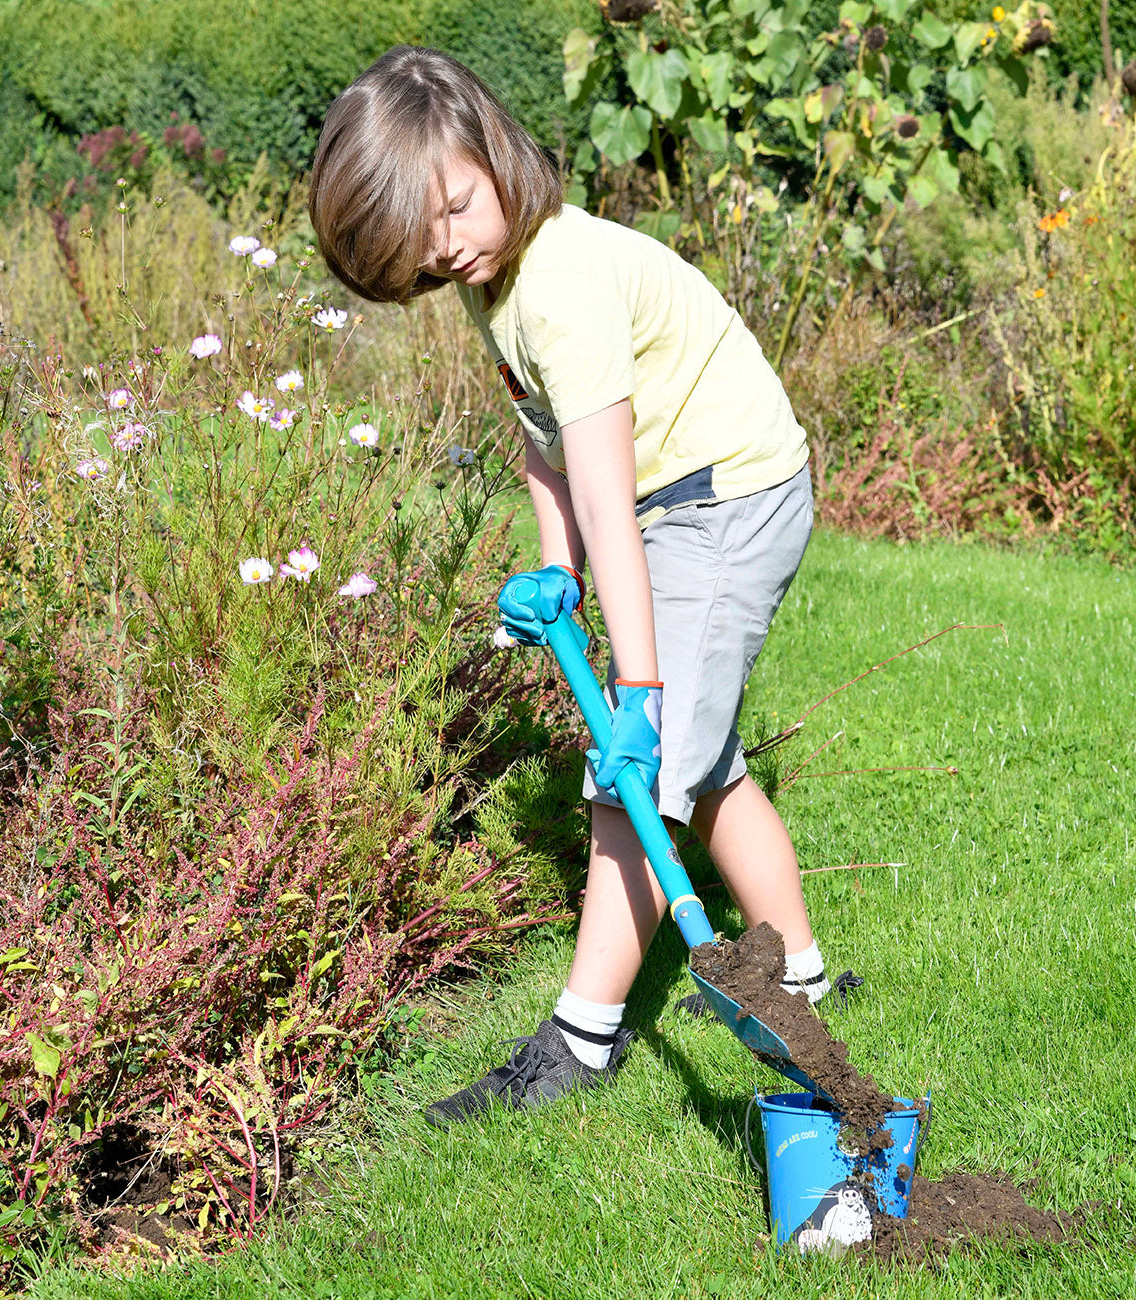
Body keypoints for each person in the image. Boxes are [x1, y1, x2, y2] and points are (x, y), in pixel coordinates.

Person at [309, 46, 860, 1126]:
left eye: (456, 210)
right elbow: (546, 445)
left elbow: (612, 495)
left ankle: (581, 1038)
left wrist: (641, 694)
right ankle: (801, 977)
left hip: (725, 493)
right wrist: (554, 569)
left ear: (489, 143)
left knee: (638, 776)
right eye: (421, 249)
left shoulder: (556, 283)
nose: (449, 252)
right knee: (701, 765)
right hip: (671, 495)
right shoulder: (496, 278)